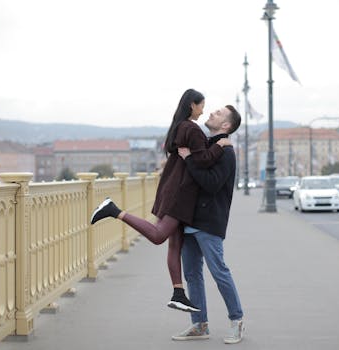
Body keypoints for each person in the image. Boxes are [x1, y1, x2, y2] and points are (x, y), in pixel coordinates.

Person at [90, 89, 231, 312]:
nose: (204, 111)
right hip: (181, 194)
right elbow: (202, 160)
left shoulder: (180, 126)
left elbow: (192, 158)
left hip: (173, 189)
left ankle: (178, 293)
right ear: (192, 105)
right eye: (202, 106)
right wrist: (220, 145)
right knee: (159, 236)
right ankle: (113, 210)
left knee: (175, 244)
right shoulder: (191, 128)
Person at [171, 105, 244, 344]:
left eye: (219, 113)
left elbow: (211, 184)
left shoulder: (226, 151)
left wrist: (189, 158)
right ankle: (199, 325)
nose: (212, 112)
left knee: (219, 272)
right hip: (190, 220)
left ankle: (237, 321)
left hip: (209, 222)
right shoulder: (208, 146)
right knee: (192, 274)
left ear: (226, 126)